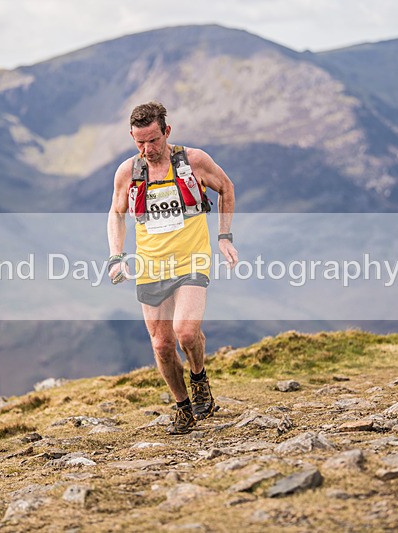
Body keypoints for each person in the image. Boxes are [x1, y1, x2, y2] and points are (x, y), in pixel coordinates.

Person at [107, 101, 238, 434]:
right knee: (162, 345)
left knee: (186, 332)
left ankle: (199, 378)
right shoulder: (128, 172)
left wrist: (224, 236)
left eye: (153, 140)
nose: (148, 149)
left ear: (167, 131)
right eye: (140, 142)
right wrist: (116, 255)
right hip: (151, 265)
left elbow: (226, 188)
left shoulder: (193, 161)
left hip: (191, 259)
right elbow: (116, 213)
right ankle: (183, 407)